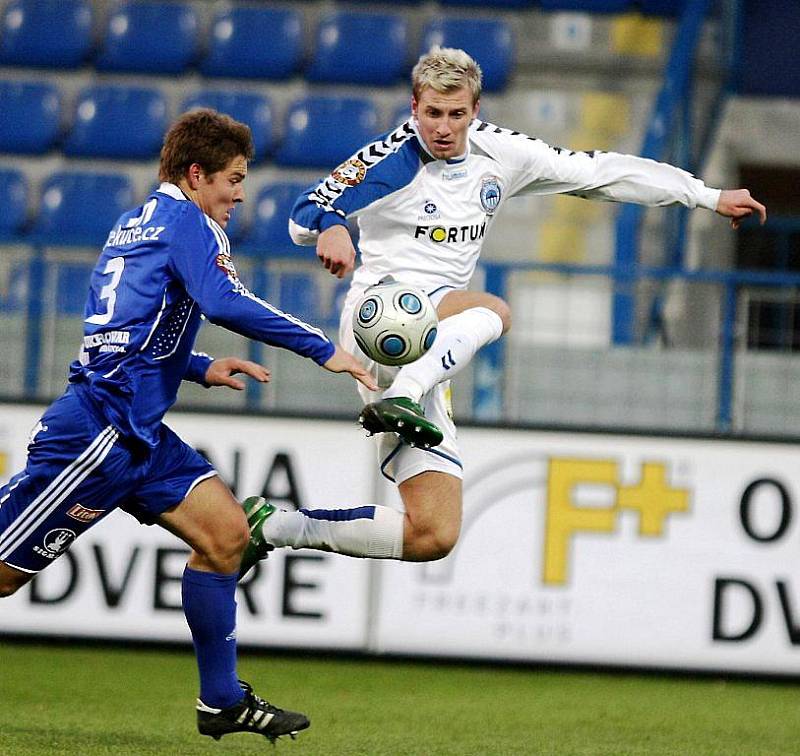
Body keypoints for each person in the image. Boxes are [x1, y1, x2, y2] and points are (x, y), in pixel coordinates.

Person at [242, 47, 767, 565]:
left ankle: (274, 526)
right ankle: (402, 392)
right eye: (431, 114)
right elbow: (303, 212)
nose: (443, 128)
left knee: (433, 534)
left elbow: (599, 173)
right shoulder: (390, 160)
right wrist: (332, 226)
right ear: (413, 107)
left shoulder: (501, 154)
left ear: (476, 110)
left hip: (432, 347)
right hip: (377, 325)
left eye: (456, 115)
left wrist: (705, 196)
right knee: (494, 309)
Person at [0, 109, 376, 743]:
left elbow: (123, 329)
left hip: (136, 432)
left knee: (226, 536)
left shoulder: (133, 225)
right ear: (197, 174)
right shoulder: (190, 225)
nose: (239, 193)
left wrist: (198, 367)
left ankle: (221, 701)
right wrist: (322, 347)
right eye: (233, 178)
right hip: (98, 433)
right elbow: (225, 302)